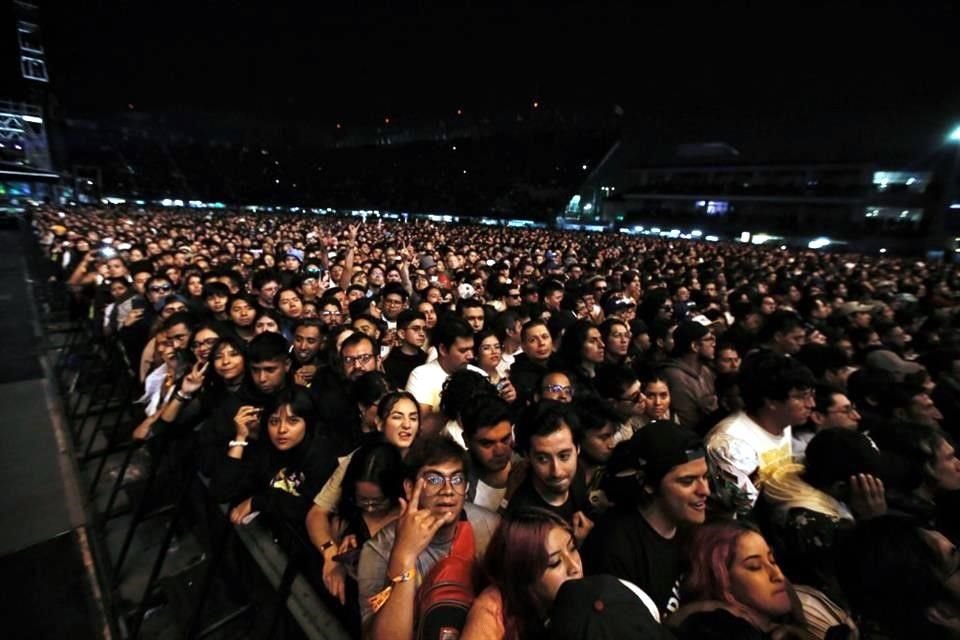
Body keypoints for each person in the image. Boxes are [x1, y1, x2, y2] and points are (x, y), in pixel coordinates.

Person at [357, 436, 500, 639]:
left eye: (457, 479)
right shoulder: (379, 550)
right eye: (434, 480)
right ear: (409, 487)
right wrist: (404, 556)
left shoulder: (491, 527)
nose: (448, 491)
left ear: (467, 487)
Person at [582, 420, 710, 618]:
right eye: (687, 481)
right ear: (648, 483)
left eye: (705, 477)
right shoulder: (613, 549)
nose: (704, 490)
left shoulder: (690, 525)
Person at [672, 520, 830, 640]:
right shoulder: (716, 627)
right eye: (755, 566)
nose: (778, 575)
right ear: (720, 579)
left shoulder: (780, 626)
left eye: (772, 561)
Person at [462, 509, 584, 640]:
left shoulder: (587, 595)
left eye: (572, 548)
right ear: (523, 573)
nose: (575, 567)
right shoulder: (489, 615)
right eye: (555, 563)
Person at [707, 350, 815, 485]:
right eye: (800, 397)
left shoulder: (782, 421)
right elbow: (740, 504)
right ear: (770, 401)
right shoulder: (730, 442)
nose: (811, 404)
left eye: (811, 395)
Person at [659, 318, 718, 430]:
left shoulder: (706, 370)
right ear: (694, 346)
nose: (714, 344)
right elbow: (687, 421)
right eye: (709, 339)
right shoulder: (673, 376)